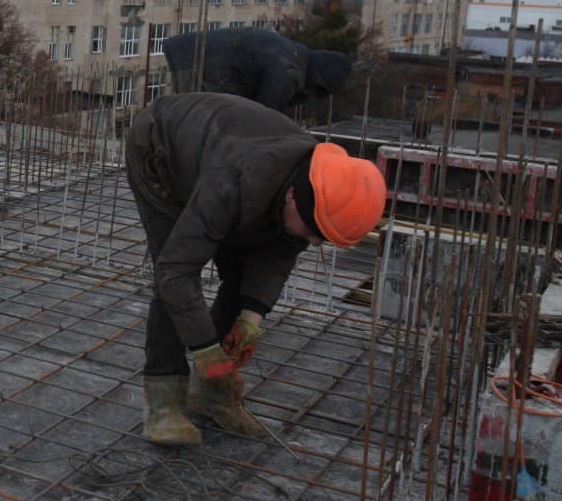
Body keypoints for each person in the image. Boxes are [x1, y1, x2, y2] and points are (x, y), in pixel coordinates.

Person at [126, 92, 386, 446]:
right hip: (161, 152)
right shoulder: (231, 182)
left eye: (321, 237)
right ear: (293, 196)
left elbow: (277, 255)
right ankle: (163, 406)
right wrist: (206, 350)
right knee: (173, 275)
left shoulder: (314, 185)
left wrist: (251, 320)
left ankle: (210, 395)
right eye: (313, 232)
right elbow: (176, 271)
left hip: (220, 157)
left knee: (240, 277)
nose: (313, 243)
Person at [162, 27, 353, 114]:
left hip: (190, 54)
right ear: (318, 81)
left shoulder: (295, 54)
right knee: (189, 123)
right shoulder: (290, 70)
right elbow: (264, 116)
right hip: (195, 65)